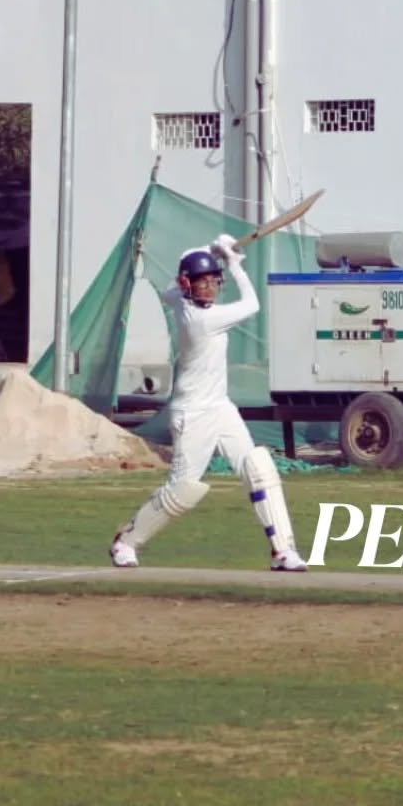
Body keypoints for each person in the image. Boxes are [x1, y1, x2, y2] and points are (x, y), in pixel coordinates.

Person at [109, 232, 308, 571]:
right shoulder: (199, 319)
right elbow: (253, 305)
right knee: (182, 490)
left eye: (213, 281)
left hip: (220, 407)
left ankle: (283, 551)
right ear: (187, 285)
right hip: (193, 414)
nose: (210, 288)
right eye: (202, 283)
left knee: (258, 467)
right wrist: (233, 264)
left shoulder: (175, 298)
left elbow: (188, 257)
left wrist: (212, 249)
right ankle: (126, 542)